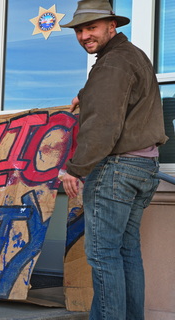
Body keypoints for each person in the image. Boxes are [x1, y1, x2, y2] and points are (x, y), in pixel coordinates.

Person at [59, 1, 168, 319]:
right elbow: (120, 97)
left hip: (116, 169)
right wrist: (86, 92)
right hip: (143, 168)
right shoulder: (131, 57)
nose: (83, 35)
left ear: (112, 26)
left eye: (91, 27)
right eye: (79, 29)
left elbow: (102, 127)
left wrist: (74, 169)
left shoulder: (111, 64)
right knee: (126, 251)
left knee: (103, 253)